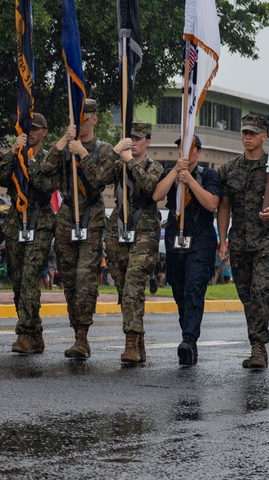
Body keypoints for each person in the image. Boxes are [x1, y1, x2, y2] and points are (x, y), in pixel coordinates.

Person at [217, 113, 269, 369]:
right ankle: (256, 342)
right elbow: (224, 207)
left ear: (265, 136)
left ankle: (258, 348)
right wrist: (222, 240)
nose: (247, 137)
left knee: (261, 291)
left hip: (267, 241)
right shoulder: (230, 170)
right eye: (244, 132)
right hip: (240, 241)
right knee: (247, 296)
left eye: (252, 133)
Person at [40, 99, 115, 359]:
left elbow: (100, 180)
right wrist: (62, 142)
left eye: (85, 118)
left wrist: (82, 154)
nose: (81, 123)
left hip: (91, 215)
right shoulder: (66, 147)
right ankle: (76, 333)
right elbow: (46, 169)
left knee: (85, 278)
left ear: (95, 119)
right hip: (67, 214)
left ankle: (82, 337)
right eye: (77, 118)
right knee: (69, 279)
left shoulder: (103, 150)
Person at [98, 122, 164, 365]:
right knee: (123, 289)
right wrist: (115, 153)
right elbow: (98, 177)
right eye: (130, 138)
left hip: (144, 228)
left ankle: (130, 344)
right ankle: (139, 343)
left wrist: (131, 162)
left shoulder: (154, 166)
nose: (133, 142)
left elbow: (148, 187)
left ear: (147, 141)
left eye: (138, 139)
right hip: (118, 228)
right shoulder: (120, 163)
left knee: (133, 287)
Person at [153, 134, 222, 365]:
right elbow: (157, 194)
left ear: (199, 152)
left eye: (191, 149)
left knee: (194, 288)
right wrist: (175, 173)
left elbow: (212, 203)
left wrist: (190, 181)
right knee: (179, 290)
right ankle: (188, 336)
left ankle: (189, 339)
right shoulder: (170, 173)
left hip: (201, 239)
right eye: (182, 148)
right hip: (176, 237)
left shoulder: (209, 175)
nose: (187, 152)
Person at [0, 112, 56, 355]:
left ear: (44, 132)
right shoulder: (15, 154)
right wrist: (11, 153)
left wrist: (27, 161)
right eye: (28, 127)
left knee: (30, 277)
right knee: (18, 282)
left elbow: (47, 185)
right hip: (15, 222)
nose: (31, 132)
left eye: (36, 128)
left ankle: (25, 334)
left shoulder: (49, 157)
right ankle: (35, 333)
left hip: (39, 220)